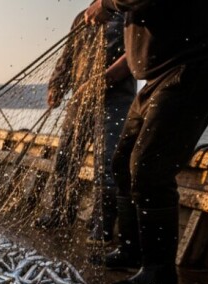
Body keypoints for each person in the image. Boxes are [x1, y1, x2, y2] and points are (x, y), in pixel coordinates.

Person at [85, 0, 208, 284]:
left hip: (195, 63)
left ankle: (159, 271)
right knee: (122, 163)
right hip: (158, 74)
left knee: (149, 167)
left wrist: (107, 3)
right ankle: (131, 250)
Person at [35, 8, 136, 246]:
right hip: (80, 99)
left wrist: (105, 80)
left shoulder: (131, 15)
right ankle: (59, 212)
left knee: (107, 164)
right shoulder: (83, 17)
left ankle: (103, 225)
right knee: (65, 158)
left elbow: (136, 57)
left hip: (115, 101)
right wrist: (56, 84)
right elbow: (68, 55)